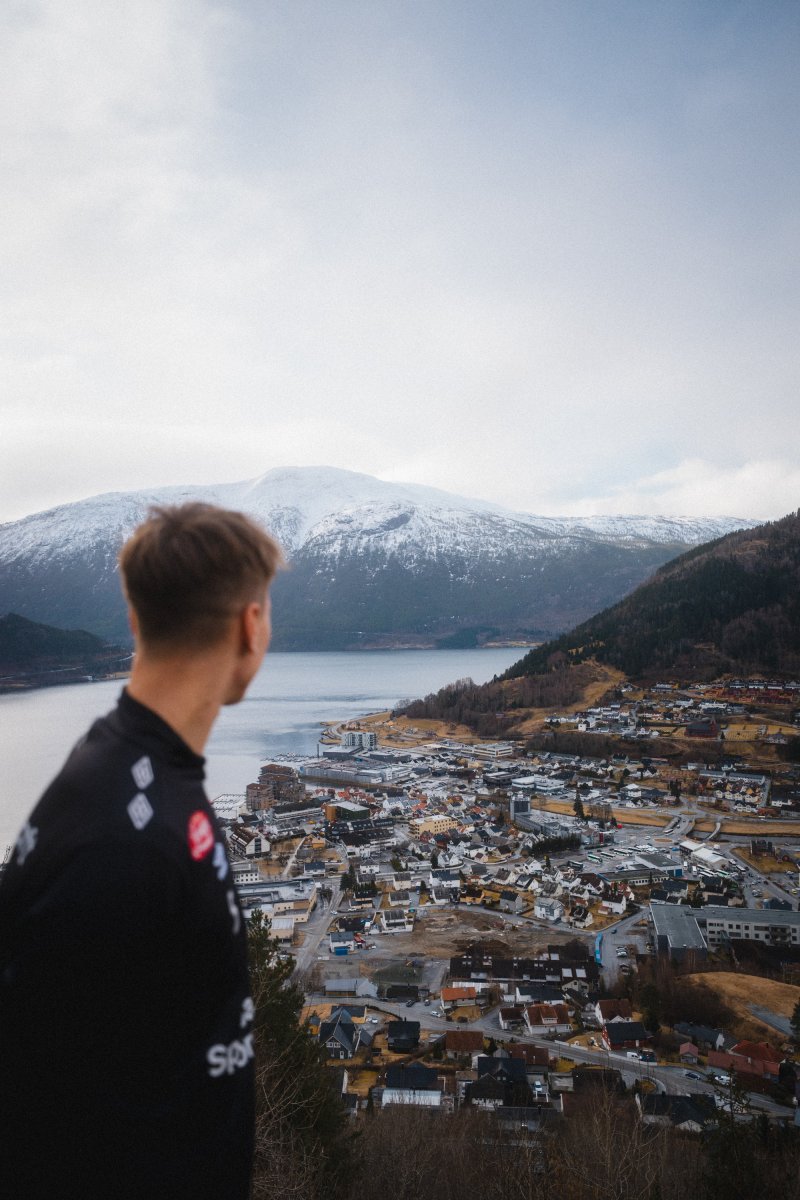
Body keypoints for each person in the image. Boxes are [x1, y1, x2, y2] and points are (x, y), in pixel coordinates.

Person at [0, 502, 283, 1200]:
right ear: (250, 627)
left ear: (135, 621)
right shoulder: (126, 842)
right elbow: (45, 1118)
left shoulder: (128, 771)